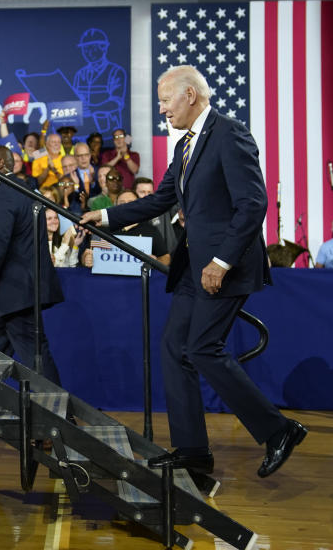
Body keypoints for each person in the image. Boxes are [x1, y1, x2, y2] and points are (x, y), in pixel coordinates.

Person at [81, 65, 305, 479]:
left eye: (165, 100)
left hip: (224, 266)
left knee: (202, 348)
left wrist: (221, 262)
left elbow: (253, 205)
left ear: (189, 95)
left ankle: (278, 430)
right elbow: (162, 198)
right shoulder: (185, 145)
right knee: (174, 348)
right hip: (191, 266)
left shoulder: (230, 134)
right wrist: (107, 217)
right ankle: (193, 451)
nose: (162, 109)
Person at [0, 146, 64, 386]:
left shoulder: (4, 195)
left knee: (36, 357)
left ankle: (61, 417)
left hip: (15, 293)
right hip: (20, 292)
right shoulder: (22, 189)